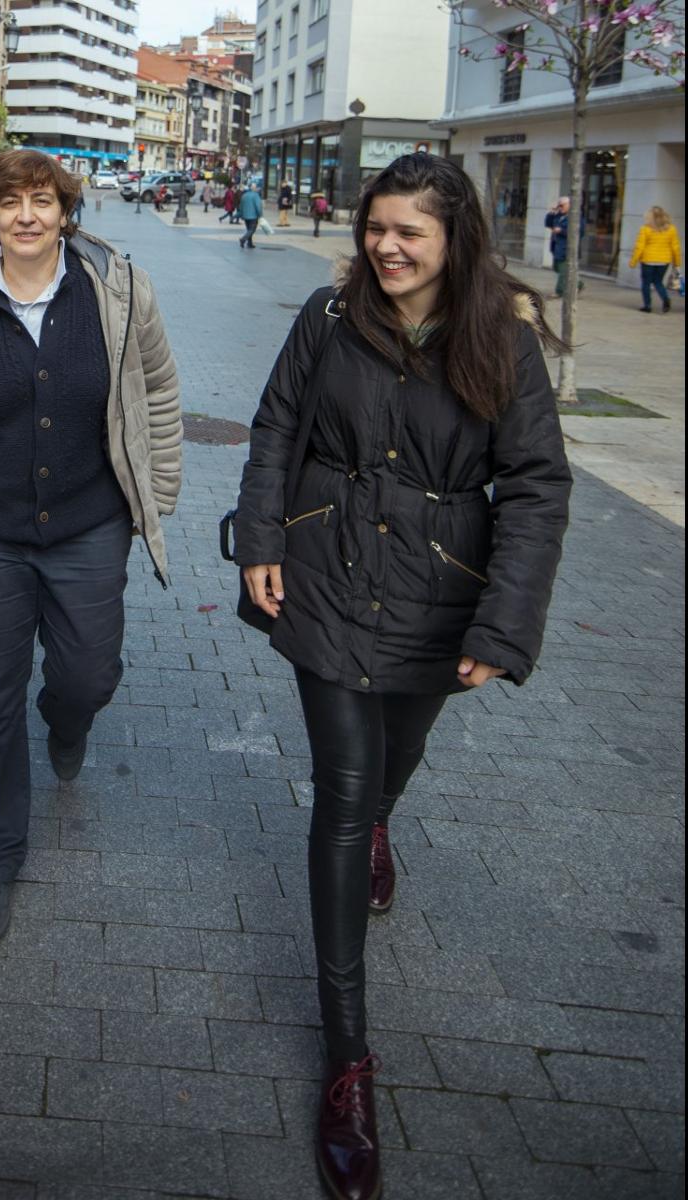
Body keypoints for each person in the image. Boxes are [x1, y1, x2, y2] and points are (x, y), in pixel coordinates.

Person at [233, 153, 571, 1200]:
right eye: (375, 227)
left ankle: (383, 821)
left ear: (453, 236)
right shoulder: (329, 319)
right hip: (328, 576)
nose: (386, 247)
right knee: (340, 790)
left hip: (436, 592)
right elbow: (276, 424)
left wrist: (505, 620)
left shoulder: (502, 340)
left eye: (408, 233)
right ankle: (349, 1064)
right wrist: (257, 538)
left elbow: (538, 486)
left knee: (396, 760)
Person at [0, 148, 183, 947]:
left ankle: (68, 719)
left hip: (90, 525)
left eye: (43, 201)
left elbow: (157, 388)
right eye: (11, 201)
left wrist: (156, 496)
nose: (27, 215)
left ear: (65, 212)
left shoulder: (116, 290)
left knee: (88, 674)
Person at [629, 205, 680, 313]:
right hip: (664, 261)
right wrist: (677, 262)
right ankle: (665, 299)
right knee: (658, 282)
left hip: (648, 260)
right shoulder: (671, 229)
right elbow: (675, 247)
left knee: (646, 283)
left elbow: (639, 247)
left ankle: (647, 306)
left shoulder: (645, 229)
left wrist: (633, 261)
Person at [544, 195, 583, 298]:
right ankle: (579, 283)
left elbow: (579, 232)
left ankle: (559, 291)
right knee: (557, 268)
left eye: (562, 205)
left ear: (570, 205)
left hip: (568, 248)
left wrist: (562, 231)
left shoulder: (575, 217)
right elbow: (548, 224)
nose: (560, 207)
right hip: (557, 247)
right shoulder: (558, 215)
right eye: (559, 205)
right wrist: (551, 214)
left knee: (563, 271)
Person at [238, 183, 264, 249]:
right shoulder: (256, 195)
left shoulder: (244, 195)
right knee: (252, 230)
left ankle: (250, 243)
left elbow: (241, 206)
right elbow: (258, 206)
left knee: (249, 230)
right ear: (254, 188)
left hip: (246, 216)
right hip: (253, 216)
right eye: (255, 187)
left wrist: (241, 214)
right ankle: (243, 239)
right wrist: (260, 214)